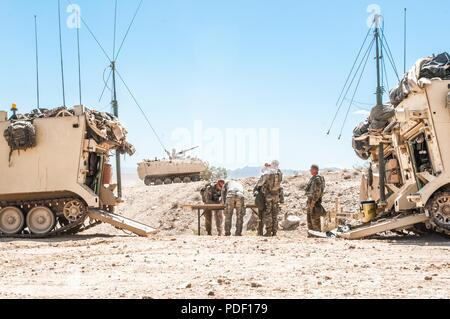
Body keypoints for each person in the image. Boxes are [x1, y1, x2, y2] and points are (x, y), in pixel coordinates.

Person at [254, 161, 284, 237]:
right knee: (275, 214)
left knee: (268, 213)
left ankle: (268, 231)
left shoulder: (268, 173)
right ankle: (274, 232)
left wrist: (266, 168)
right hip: (276, 196)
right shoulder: (279, 173)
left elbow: (260, 183)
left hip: (268, 196)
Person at [305, 164, 326, 233]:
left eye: (311, 169)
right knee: (310, 217)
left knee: (315, 217)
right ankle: (311, 232)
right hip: (311, 200)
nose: (310, 170)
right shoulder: (314, 178)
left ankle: (316, 232)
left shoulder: (317, 179)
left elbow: (317, 192)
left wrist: (313, 202)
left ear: (315, 170)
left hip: (314, 201)